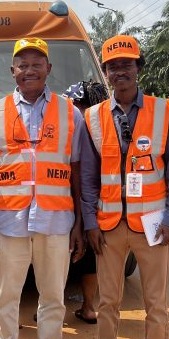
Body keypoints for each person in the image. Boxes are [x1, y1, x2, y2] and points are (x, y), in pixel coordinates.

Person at [76, 34, 169, 339]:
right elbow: (89, 178)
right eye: (112, 66)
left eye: (126, 64)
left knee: (156, 305)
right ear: (105, 73)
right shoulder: (92, 118)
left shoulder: (162, 111)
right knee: (107, 303)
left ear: (139, 68)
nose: (119, 71)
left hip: (154, 227)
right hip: (108, 228)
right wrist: (90, 222)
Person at [0, 37, 85, 339]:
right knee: (7, 296)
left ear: (49, 69)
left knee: (53, 296)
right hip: (8, 222)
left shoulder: (71, 113)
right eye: (23, 63)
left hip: (56, 221)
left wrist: (80, 222)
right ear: (13, 71)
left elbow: (77, 169)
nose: (30, 69)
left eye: (38, 62)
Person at [62, 81, 110, 324]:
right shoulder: (106, 127)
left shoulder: (72, 126)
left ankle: (51, 308)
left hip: (71, 201)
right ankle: (89, 307)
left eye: (75, 104)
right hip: (95, 204)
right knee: (90, 255)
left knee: (61, 255)